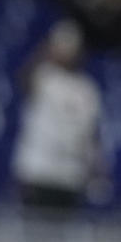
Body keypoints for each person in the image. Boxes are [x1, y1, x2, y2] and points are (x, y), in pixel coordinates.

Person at [12, 19, 102, 212]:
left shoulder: (87, 87)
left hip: (71, 173)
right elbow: (23, 80)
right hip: (39, 170)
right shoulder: (44, 75)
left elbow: (92, 132)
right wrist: (45, 52)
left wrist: (96, 167)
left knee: (61, 235)